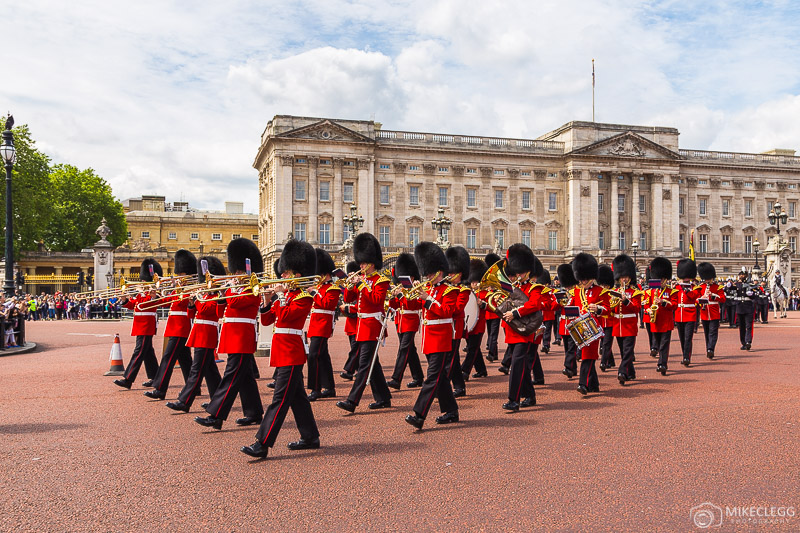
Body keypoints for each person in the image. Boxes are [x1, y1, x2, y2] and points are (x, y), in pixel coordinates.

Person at [241, 239, 319, 459]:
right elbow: (267, 321)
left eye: (286, 274)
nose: (282, 277)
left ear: (297, 274)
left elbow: (286, 317)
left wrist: (280, 295)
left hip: (292, 353)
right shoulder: (286, 297)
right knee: (297, 398)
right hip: (282, 351)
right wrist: (267, 300)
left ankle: (262, 443)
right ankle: (310, 436)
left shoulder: (304, 297)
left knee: (279, 399)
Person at [195, 238, 265, 430]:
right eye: (235, 271)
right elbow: (221, 313)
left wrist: (227, 289)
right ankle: (254, 413)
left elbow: (235, 303)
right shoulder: (235, 288)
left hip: (242, 337)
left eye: (239, 271)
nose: (236, 274)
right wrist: (220, 295)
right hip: (232, 336)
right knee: (245, 377)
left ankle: (216, 415)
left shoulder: (253, 287)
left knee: (231, 376)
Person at [405, 242, 459, 429]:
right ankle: (451, 410)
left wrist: (427, 299)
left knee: (432, 378)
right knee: (441, 378)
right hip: (429, 339)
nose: (427, 276)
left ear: (439, 271)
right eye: (426, 273)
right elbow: (414, 306)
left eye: (430, 273)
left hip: (442, 339)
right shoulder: (429, 289)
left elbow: (445, 311)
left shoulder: (451, 291)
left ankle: (419, 415)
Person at [336, 233, 393, 413]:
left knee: (364, 365)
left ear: (372, 263)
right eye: (360, 262)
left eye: (363, 263)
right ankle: (383, 398)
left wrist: (361, 284)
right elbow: (349, 298)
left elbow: (376, 300)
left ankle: (352, 401)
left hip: (373, 326)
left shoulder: (381, 281)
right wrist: (351, 286)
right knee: (371, 364)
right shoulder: (364, 280)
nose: (361, 266)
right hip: (362, 326)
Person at [166, 256, 225, 412]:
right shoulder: (205, 295)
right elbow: (192, 315)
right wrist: (192, 304)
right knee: (210, 371)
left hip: (207, 334)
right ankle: (217, 401)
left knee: (196, 371)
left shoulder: (217, 296)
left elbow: (207, 310)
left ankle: (184, 401)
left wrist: (197, 300)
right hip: (199, 333)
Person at [145, 249, 197, 400]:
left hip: (181, 326)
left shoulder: (190, 287)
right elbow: (168, 303)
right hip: (174, 326)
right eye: (179, 274)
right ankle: (193, 388)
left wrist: (175, 288)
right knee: (185, 360)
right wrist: (155, 297)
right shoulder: (179, 288)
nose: (179, 276)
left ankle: (160, 389)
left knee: (168, 358)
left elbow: (182, 302)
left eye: (182, 274)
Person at [499, 244, 542, 410]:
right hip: (512, 330)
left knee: (516, 365)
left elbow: (534, 304)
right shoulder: (511, 288)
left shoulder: (534, 288)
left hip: (525, 331)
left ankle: (513, 399)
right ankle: (530, 396)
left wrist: (516, 313)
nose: (518, 275)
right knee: (522, 365)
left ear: (528, 271)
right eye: (516, 272)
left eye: (520, 272)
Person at [113, 258, 163, 389]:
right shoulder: (142, 294)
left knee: (139, 352)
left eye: (144, 280)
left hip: (147, 326)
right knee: (147, 353)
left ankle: (128, 379)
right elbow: (134, 305)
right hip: (139, 325)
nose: (141, 282)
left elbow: (148, 304)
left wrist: (141, 291)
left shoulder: (154, 293)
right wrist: (124, 301)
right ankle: (156, 377)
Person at [571, 253, 610, 395]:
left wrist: (598, 309)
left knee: (587, 356)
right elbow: (573, 308)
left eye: (585, 279)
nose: (582, 282)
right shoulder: (577, 292)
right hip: (580, 327)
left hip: (593, 328)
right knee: (590, 356)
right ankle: (594, 384)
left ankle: (583, 384)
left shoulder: (600, 291)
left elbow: (608, 309)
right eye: (581, 279)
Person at [305, 248, 341, 401]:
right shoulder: (319, 288)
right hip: (315, 325)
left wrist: (314, 293)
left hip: (323, 326)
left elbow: (326, 304)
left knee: (314, 356)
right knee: (323, 356)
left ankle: (315, 388)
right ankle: (330, 387)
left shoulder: (333, 288)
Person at [386, 253, 425, 389]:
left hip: (411, 321)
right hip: (400, 321)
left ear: (413, 276)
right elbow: (394, 306)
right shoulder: (401, 288)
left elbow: (412, 305)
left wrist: (401, 294)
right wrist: (392, 297)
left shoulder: (417, 289)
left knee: (403, 349)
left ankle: (396, 379)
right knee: (410, 350)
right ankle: (418, 377)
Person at [610, 254, 641, 385]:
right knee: (623, 352)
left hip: (629, 324)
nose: (623, 279)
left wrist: (626, 301)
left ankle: (622, 372)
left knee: (628, 351)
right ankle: (631, 372)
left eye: (626, 277)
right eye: (621, 277)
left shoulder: (635, 292)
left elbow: (637, 308)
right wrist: (614, 303)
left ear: (630, 278)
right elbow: (611, 310)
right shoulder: (614, 291)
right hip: (618, 325)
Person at [445, 246, 471, 398]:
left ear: (459, 274)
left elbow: (457, 308)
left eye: (452, 273)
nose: (449, 275)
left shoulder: (463, 290)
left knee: (450, 358)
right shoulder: (447, 288)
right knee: (453, 359)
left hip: (455, 327)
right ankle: (460, 387)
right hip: (445, 326)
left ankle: (442, 387)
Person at [646, 257, 678, 375]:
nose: (661, 281)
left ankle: (662, 364)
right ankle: (661, 360)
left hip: (666, 322)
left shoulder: (672, 291)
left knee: (664, 344)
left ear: (666, 279)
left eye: (662, 279)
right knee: (658, 344)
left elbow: (674, 305)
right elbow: (646, 305)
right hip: (655, 321)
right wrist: (648, 310)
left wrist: (663, 302)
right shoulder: (651, 291)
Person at [461, 259, 489, 381]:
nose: (474, 284)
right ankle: (481, 370)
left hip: (479, 326)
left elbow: (492, 308)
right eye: (472, 281)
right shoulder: (469, 293)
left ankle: (465, 370)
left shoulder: (485, 293)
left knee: (472, 349)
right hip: (469, 323)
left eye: (476, 281)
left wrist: (483, 304)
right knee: (474, 348)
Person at [674, 258, 701, 367]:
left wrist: (686, 291)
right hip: (679, 314)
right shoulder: (676, 287)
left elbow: (694, 297)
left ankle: (686, 357)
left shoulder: (695, 287)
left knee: (688, 338)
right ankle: (684, 354)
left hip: (690, 314)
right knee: (681, 337)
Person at [696, 262, 725, 359]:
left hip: (714, 313)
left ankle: (711, 349)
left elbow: (723, 299)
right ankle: (708, 348)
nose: (707, 280)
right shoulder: (701, 287)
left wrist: (713, 295)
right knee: (707, 332)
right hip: (704, 313)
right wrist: (701, 298)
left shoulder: (717, 287)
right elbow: (696, 299)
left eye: (709, 278)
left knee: (713, 332)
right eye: (706, 279)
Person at [557, 263, 579, 379]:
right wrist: (557, 301)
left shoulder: (577, 293)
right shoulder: (563, 294)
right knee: (567, 349)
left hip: (573, 324)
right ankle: (573, 369)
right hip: (563, 325)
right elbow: (553, 307)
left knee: (571, 349)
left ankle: (568, 367)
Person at [339, 261, 360, 380]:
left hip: (361, 320)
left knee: (356, 348)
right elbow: (347, 298)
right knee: (356, 347)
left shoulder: (365, 283)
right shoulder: (355, 283)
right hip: (352, 321)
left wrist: (348, 308)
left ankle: (349, 370)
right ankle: (359, 370)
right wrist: (350, 286)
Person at [596, 264, 616, 372]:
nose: (603, 286)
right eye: (602, 284)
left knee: (606, 343)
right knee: (603, 342)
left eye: (605, 284)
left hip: (610, 321)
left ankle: (603, 362)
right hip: (600, 321)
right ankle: (611, 361)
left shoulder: (613, 294)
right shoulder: (599, 293)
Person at [483, 253, 502, 362]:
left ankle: (491, 353)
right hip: (488, 313)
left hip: (496, 312)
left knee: (493, 335)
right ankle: (495, 354)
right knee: (490, 334)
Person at [734, 268, 757, 350]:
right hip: (740, 307)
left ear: (746, 276)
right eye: (740, 275)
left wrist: (751, 294)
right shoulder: (737, 284)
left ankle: (748, 342)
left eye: (743, 275)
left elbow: (755, 295)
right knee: (742, 327)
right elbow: (731, 291)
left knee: (749, 326)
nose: (741, 276)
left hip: (748, 307)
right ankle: (743, 343)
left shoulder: (751, 284)